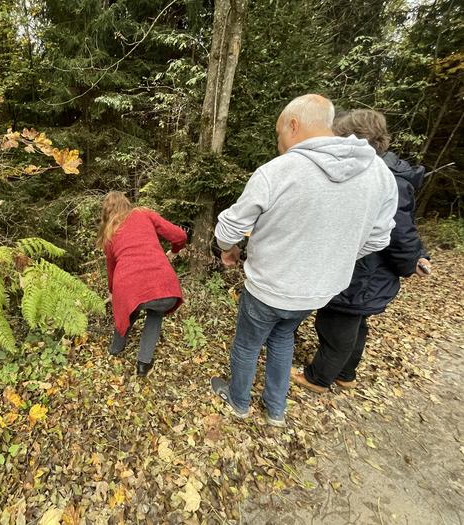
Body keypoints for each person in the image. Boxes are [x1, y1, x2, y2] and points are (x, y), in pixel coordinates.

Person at [210, 94, 398, 427]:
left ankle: (238, 401)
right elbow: (379, 238)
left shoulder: (279, 171)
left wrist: (227, 248)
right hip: (317, 291)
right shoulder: (379, 175)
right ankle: (275, 410)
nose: (280, 143)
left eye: (280, 133)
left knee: (248, 344)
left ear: (294, 124)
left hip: (269, 286)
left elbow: (231, 225)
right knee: (283, 338)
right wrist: (334, 255)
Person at [291, 109, 431, 393]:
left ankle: (318, 377)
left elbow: (399, 231)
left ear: (355, 141)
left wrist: (412, 259)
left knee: (336, 322)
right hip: (367, 269)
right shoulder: (381, 172)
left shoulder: (383, 178)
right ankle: (345, 373)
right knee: (355, 322)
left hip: (363, 270)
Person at [97, 191, 187, 376]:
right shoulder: (144, 214)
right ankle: (143, 365)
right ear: (126, 203)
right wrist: (175, 251)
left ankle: (115, 349)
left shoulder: (109, 233)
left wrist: (113, 291)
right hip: (165, 288)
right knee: (156, 312)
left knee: (130, 309)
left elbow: (111, 268)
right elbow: (179, 236)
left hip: (128, 286)